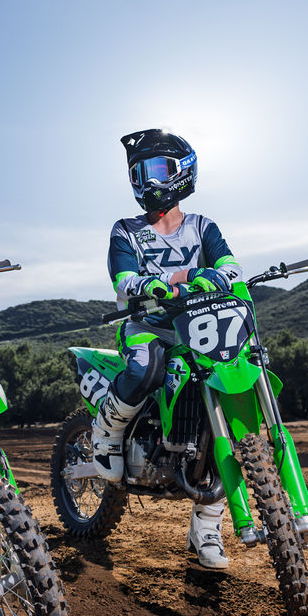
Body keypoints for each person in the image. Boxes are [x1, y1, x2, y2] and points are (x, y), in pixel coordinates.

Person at [94, 129, 244, 570]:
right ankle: (108, 432)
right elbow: (124, 280)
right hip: (147, 327)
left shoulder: (203, 226)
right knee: (145, 369)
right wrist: (164, 281)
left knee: (224, 408)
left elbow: (230, 263)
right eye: (138, 173)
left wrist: (221, 275)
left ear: (183, 171)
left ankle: (207, 530)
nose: (147, 181)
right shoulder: (126, 230)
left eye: (156, 169)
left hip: (198, 328)